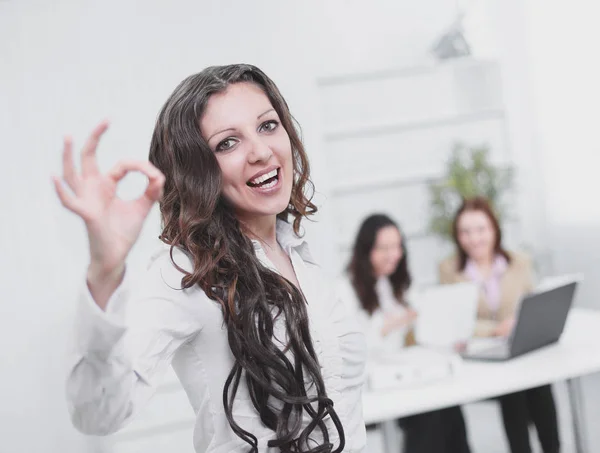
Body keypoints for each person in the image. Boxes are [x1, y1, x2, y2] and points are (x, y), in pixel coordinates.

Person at [53, 64, 367, 453]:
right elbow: (98, 413)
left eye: (267, 126)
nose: (261, 152)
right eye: (227, 143)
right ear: (196, 171)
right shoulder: (186, 273)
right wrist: (105, 271)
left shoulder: (298, 253)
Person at [337, 214, 471, 453]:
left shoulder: (396, 282)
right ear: (366, 250)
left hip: (404, 373)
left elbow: (422, 325)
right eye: (384, 248)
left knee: (447, 404)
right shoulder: (345, 289)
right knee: (428, 413)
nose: (394, 255)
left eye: (397, 247)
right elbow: (347, 348)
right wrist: (389, 325)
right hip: (372, 383)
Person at [439, 197, 560, 453]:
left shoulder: (519, 262)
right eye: (465, 232)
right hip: (480, 357)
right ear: (457, 236)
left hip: (520, 350)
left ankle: (552, 448)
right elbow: (453, 320)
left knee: (538, 383)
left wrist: (516, 323)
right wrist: (493, 330)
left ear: (494, 229)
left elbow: (533, 305)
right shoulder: (450, 271)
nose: (474, 238)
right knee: (513, 390)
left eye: (481, 229)